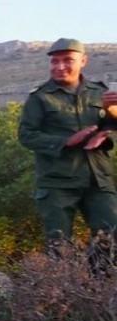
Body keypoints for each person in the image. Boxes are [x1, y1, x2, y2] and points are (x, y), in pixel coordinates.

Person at [18, 38, 117, 247]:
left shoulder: (100, 92)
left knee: (110, 239)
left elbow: (109, 124)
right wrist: (67, 141)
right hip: (58, 182)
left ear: (83, 61)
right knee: (59, 245)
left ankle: (100, 280)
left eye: (68, 60)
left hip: (98, 179)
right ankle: (65, 280)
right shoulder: (40, 97)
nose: (60, 66)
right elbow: (26, 135)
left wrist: (108, 127)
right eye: (54, 61)